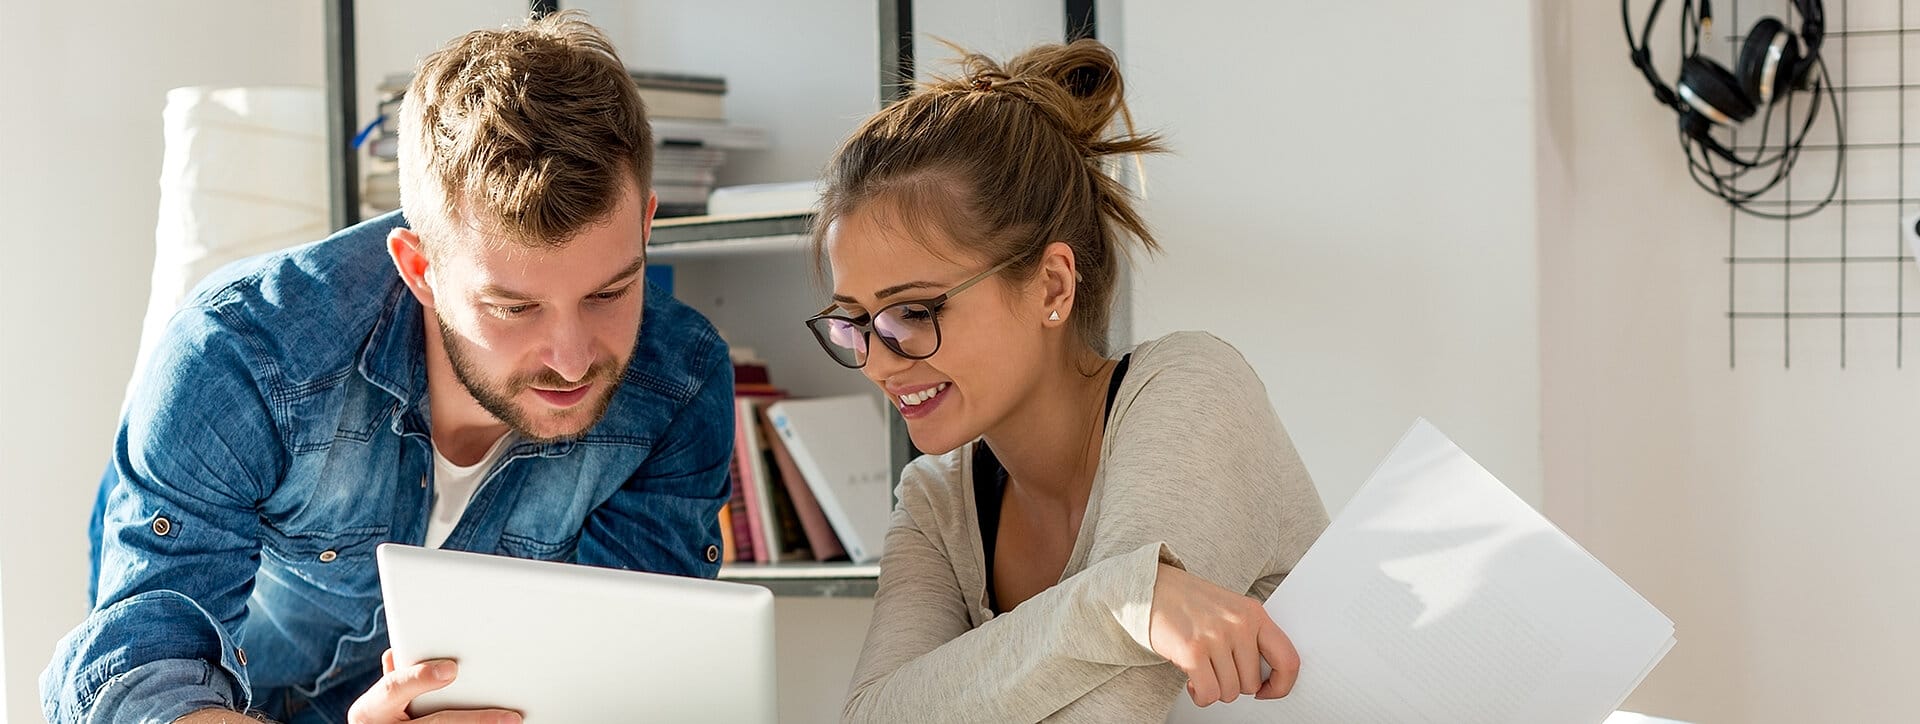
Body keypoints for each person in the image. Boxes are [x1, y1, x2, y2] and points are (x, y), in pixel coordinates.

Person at [41, 12, 735, 724]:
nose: (573, 357)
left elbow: (634, 683)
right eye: (514, 307)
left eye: (609, 292)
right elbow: (137, 677)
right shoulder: (243, 356)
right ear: (420, 268)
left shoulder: (678, 383)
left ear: (646, 225)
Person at [805, 39, 1332, 722]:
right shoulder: (940, 504)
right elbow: (871, 716)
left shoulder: (1191, 392)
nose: (879, 360)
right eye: (854, 322)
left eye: (913, 312)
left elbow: (1107, 712)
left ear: (1052, 284)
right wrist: (1118, 603)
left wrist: (1119, 604)